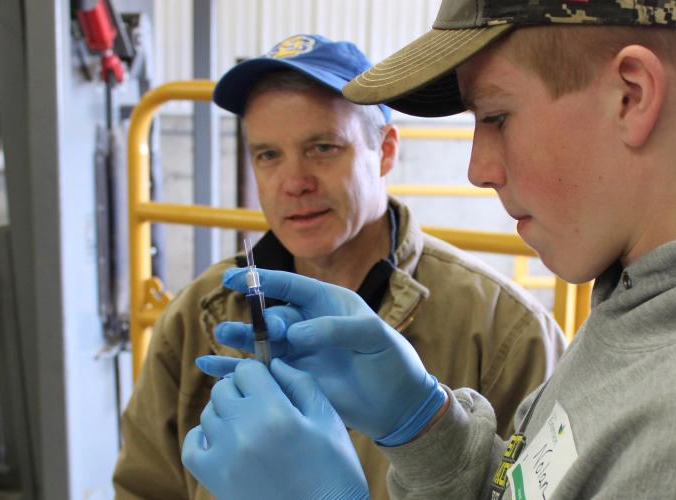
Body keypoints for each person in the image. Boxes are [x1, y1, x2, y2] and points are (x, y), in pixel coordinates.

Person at [181, 0, 676, 499]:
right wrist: (422, 426)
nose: (477, 168)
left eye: (495, 116)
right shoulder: (643, 304)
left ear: (630, 95)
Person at [113, 33, 565, 500]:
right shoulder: (199, 315)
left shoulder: (504, 331)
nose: (294, 182)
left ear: (386, 150)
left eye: (323, 147)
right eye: (268, 155)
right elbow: (144, 487)